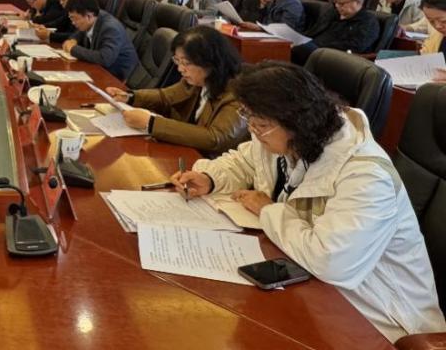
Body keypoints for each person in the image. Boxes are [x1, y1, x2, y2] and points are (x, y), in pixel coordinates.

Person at [172, 62, 446, 342]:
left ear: (299, 123)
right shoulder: (283, 136)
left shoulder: (366, 176)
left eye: (260, 124)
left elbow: (331, 261)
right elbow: (246, 161)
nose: (253, 130)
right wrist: (209, 178)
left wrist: (268, 211)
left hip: (380, 318)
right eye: (248, 118)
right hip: (311, 284)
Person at [104, 26, 246, 156]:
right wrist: (130, 97)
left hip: (214, 163)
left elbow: (215, 138)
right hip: (188, 151)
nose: (180, 69)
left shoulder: (238, 93)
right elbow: (166, 96)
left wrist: (151, 124)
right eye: (177, 61)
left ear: (211, 62)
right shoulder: (196, 80)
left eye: (186, 63)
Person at [292, 0, 380, 64]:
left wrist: (319, 47)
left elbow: (356, 46)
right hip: (314, 47)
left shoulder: (368, 21)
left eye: (341, 3)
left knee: (298, 51)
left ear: (356, 2)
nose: (337, 6)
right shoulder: (333, 13)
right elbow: (315, 30)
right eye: (335, 2)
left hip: (335, 56)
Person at [62, 0, 138, 80]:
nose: (73, 23)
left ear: (89, 16)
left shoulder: (110, 28)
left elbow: (104, 58)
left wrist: (73, 49)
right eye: (71, 18)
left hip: (119, 78)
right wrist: (73, 40)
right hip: (101, 71)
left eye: (75, 19)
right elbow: (80, 32)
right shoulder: (94, 17)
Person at [418, 0, 446, 82]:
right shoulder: (436, 36)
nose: (437, 26)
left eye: (443, 21)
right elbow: (425, 59)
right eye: (431, 21)